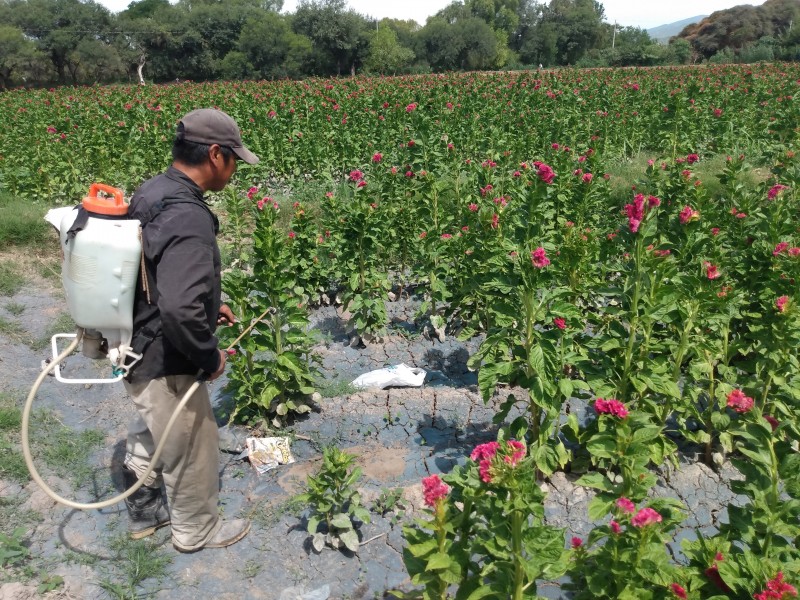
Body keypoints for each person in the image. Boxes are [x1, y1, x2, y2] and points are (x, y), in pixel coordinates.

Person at [121, 108, 259, 552]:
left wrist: (209, 304)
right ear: (215, 155)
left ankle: (142, 502)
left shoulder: (153, 191)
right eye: (235, 158)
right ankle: (196, 530)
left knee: (162, 426)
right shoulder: (189, 217)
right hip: (166, 355)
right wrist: (208, 354)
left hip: (134, 340)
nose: (236, 168)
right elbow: (179, 312)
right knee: (194, 440)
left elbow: (158, 275)